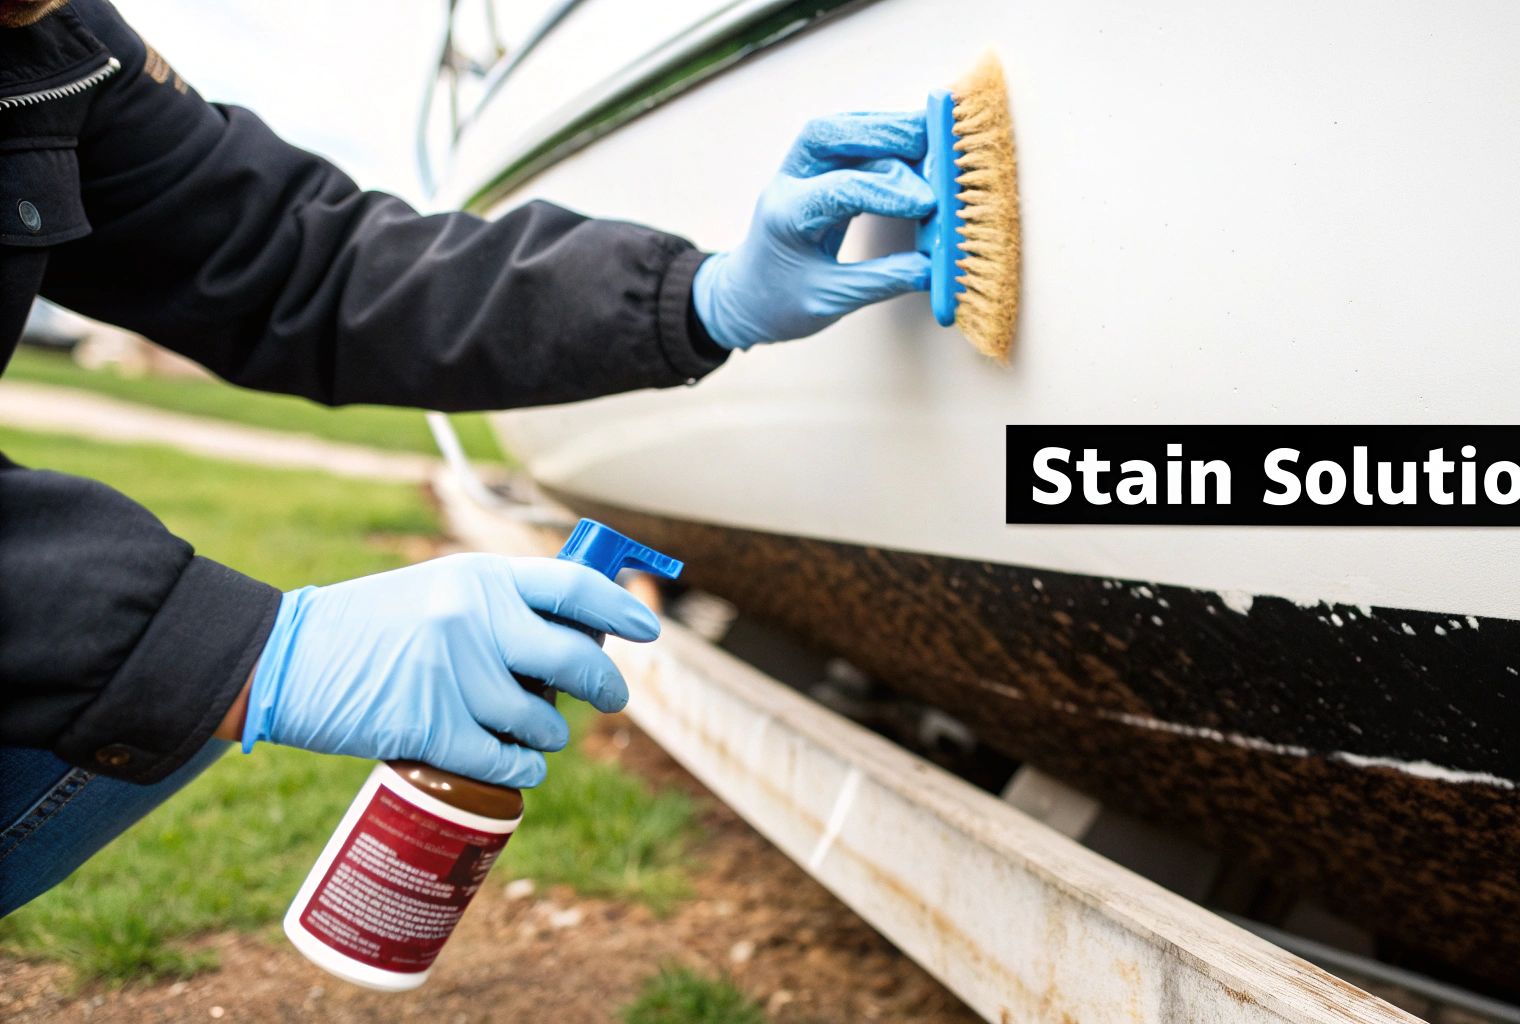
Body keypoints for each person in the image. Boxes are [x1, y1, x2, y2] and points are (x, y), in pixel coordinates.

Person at [0, 0, 935, 915]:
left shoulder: (54, 36)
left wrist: (701, 296)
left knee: (162, 689)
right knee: (166, 679)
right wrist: (244, 650)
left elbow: (307, 261)